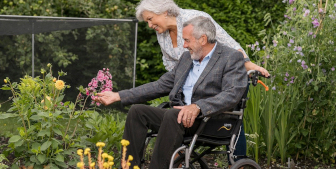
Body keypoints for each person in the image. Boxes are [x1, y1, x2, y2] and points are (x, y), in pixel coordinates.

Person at [95, 16, 248, 168]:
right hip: (179, 118)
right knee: (137, 112)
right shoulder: (187, 58)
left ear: (202, 39)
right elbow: (159, 85)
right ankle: (129, 166)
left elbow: (232, 93)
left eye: (187, 40)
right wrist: (118, 95)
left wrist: (198, 106)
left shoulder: (230, 57)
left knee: (173, 114)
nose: (184, 45)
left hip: (210, 119)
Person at [135, 0, 270, 77]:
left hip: (211, 81)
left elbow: (228, 43)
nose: (149, 25)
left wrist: (247, 64)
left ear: (164, 11)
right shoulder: (162, 33)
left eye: (150, 19)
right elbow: (169, 62)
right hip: (188, 86)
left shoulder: (195, 18)